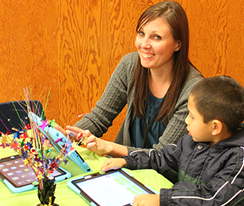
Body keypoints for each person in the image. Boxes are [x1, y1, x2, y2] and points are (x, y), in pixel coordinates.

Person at [64, 1, 203, 157]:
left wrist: (109, 147)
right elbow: (99, 118)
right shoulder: (129, 65)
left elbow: (161, 156)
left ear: (177, 44)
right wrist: (65, 139)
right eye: (141, 33)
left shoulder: (193, 89)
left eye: (156, 37)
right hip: (122, 167)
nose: (144, 44)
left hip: (163, 177)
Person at [101, 75, 244, 206]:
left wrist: (163, 200)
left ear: (215, 127)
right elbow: (161, 158)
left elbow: (214, 198)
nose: (186, 121)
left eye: (192, 116)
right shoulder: (193, 141)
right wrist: (126, 161)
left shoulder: (243, 159)